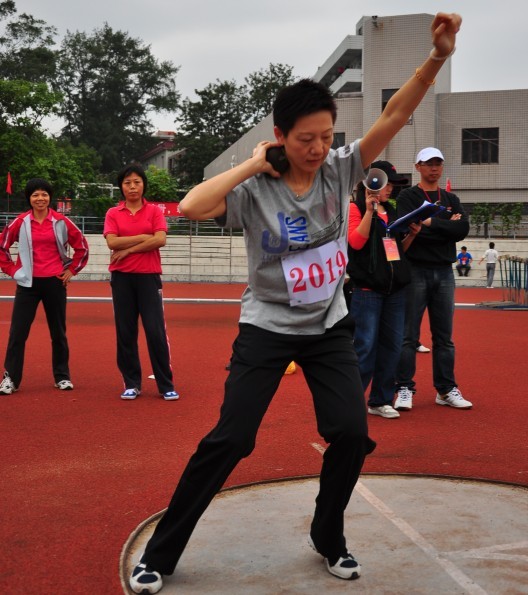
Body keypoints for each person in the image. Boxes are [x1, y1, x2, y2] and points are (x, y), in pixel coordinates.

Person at [129, 13, 461, 593]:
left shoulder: (341, 169)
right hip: (266, 326)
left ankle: (327, 536)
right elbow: (189, 206)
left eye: (326, 136)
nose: (317, 148)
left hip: (329, 323)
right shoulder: (257, 187)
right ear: (281, 135)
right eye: (305, 138)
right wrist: (256, 163)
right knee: (231, 439)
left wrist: (436, 57)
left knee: (352, 433)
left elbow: (395, 116)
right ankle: (163, 551)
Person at [394, 147, 473, 411]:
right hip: (415, 270)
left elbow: (462, 230)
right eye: (428, 163)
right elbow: (406, 228)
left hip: (444, 271)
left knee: (444, 337)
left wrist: (427, 224)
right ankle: (404, 387)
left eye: (438, 163)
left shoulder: (450, 197)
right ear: (417, 166)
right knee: (408, 335)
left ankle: (446, 389)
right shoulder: (407, 196)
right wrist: (445, 226)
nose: (434, 168)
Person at [0, 178, 89, 394]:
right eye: (35, 195)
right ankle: (10, 378)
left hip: (55, 282)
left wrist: (71, 270)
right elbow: (2, 247)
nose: (40, 198)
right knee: (18, 332)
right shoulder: (20, 222)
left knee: (58, 332)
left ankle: (62, 376)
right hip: (28, 284)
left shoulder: (61, 222)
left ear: (50, 197)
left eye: (44, 194)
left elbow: (82, 248)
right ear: (29, 199)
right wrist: (13, 271)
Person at [347, 160, 420, 420]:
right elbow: (356, 242)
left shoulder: (392, 210)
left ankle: (379, 400)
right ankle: (351, 402)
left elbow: (396, 252)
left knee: (392, 346)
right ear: (373, 182)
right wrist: (369, 212)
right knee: (365, 346)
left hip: (395, 290)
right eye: (389, 183)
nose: (391, 189)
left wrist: (411, 235)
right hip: (368, 289)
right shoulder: (355, 208)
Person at [103, 163, 179, 401]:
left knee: (155, 331)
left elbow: (160, 241)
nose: (132, 187)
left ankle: (165, 384)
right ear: (121, 187)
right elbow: (112, 243)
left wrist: (128, 250)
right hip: (122, 279)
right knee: (126, 332)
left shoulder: (154, 211)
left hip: (148, 277)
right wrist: (144, 238)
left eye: (137, 182)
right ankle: (131, 383)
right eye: (127, 183)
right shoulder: (113, 213)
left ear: (143, 184)